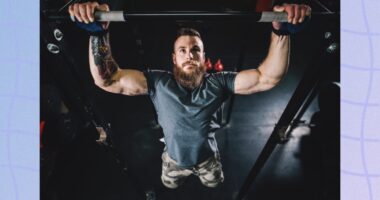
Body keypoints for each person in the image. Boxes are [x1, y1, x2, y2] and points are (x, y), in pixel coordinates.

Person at [68, 2, 311, 189]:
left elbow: (267, 77)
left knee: (214, 183)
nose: (190, 55)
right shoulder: (158, 82)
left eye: (195, 50)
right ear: (174, 58)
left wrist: (282, 32)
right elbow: (108, 79)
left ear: (204, 58)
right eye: (182, 50)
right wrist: (97, 33)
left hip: (208, 161)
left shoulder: (218, 82)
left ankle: (207, 175)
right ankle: (176, 173)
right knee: (169, 184)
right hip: (173, 162)